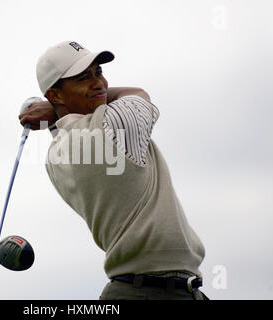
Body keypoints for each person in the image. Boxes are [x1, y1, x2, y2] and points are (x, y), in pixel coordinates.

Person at [18, 40, 209, 300]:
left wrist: (55, 110)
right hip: (153, 292)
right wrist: (52, 109)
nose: (99, 83)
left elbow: (66, 125)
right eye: (84, 77)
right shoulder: (115, 125)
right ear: (55, 95)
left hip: (139, 289)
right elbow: (138, 93)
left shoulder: (55, 155)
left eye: (99, 73)